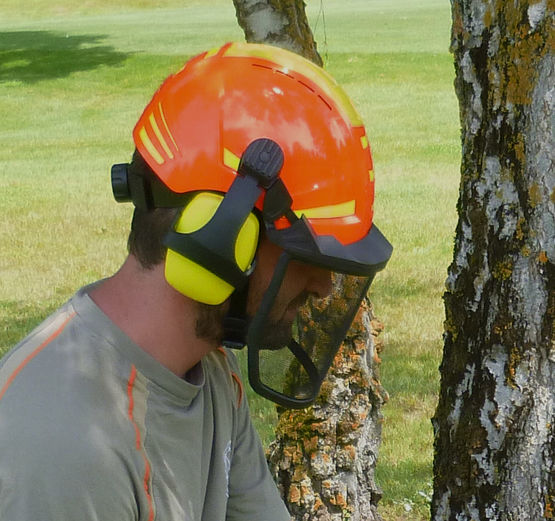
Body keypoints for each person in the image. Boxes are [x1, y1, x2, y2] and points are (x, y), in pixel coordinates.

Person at [0, 42, 392, 520]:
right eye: (305, 255)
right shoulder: (66, 447)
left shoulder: (210, 372)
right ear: (220, 237)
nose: (325, 285)